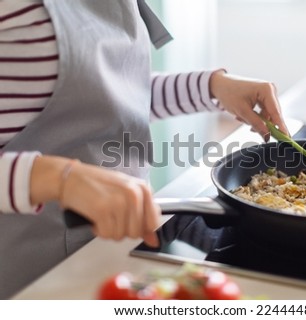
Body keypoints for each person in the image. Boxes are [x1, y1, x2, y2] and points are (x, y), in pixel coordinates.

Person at [0, 0, 288, 298]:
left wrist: (211, 87)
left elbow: (107, 95)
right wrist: (59, 178)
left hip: (117, 247)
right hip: (27, 273)